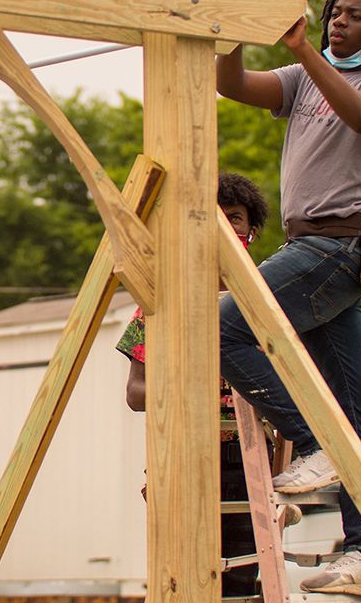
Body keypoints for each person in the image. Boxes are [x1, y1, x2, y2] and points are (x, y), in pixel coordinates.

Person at [215, 0, 361, 597]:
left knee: (226, 321)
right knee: (357, 412)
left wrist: (301, 51)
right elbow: (231, 84)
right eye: (334, 14)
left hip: (341, 244)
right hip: (307, 245)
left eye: (352, 16)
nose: (337, 24)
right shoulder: (303, 79)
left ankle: (312, 441)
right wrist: (234, 31)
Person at [117, 171, 272, 598]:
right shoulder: (162, 300)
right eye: (214, 215)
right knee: (181, 574)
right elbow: (135, 394)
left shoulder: (270, 300)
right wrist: (194, 393)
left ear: (251, 230)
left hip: (249, 456)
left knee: (243, 577)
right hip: (183, 452)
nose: (225, 226)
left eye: (235, 218)